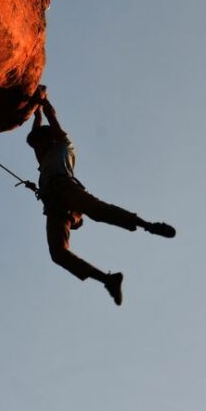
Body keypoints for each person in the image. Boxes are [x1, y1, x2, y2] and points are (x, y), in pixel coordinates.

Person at [27, 86, 175, 305]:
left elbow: (51, 119)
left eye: (39, 144)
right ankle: (107, 279)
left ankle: (147, 225)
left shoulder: (63, 146)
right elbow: (38, 128)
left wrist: (44, 102)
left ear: (48, 140)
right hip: (55, 206)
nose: (36, 149)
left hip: (67, 190)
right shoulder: (45, 156)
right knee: (58, 253)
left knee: (97, 211)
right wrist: (35, 109)